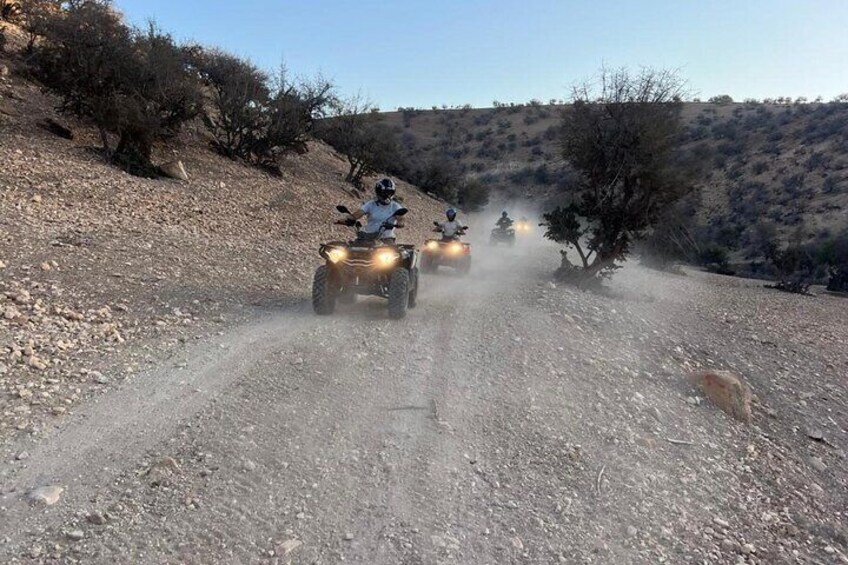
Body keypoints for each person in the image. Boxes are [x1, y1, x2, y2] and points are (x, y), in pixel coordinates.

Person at [347, 178, 404, 242]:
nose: (387, 195)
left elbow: (400, 218)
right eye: (385, 192)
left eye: (390, 193)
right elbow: (360, 212)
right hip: (367, 236)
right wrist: (349, 218)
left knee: (392, 250)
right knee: (351, 248)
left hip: (386, 238)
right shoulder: (371, 204)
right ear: (379, 192)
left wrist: (400, 223)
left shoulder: (395, 206)